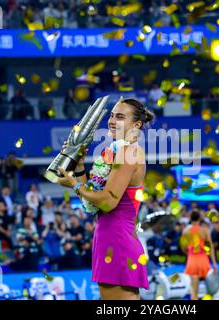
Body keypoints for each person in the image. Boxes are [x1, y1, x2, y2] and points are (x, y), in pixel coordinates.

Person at [57, 98, 154, 300]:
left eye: (120, 117)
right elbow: (92, 198)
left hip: (117, 239)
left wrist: (74, 184)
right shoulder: (115, 151)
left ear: (136, 125)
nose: (112, 120)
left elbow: (108, 201)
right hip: (110, 236)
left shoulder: (128, 153)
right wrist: (79, 167)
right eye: (111, 115)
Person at [180, 210, 218, 300]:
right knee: (211, 288)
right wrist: (215, 264)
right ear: (200, 218)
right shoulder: (204, 230)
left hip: (192, 260)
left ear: (190, 218)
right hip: (203, 259)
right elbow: (210, 248)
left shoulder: (185, 231)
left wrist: (189, 252)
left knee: (194, 291)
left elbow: (183, 247)